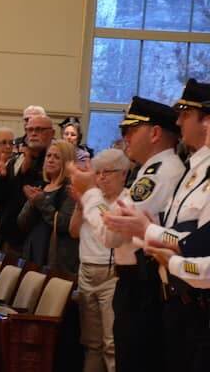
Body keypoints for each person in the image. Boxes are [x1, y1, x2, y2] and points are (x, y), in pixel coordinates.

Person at [100, 79, 210, 372]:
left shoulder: (165, 171)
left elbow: (110, 233)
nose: (179, 119)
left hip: (168, 291)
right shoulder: (184, 170)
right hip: (169, 291)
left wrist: (150, 234)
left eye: (186, 113)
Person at [72, 96, 184, 372]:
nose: (126, 137)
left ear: (155, 133)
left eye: (132, 130)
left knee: (131, 357)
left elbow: (112, 234)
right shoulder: (151, 170)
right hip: (137, 280)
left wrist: (91, 194)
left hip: (143, 283)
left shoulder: (159, 173)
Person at [69, 149, 130, 372]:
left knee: (111, 342)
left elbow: (110, 228)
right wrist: (80, 204)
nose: (102, 177)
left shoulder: (127, 199)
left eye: (108, 172)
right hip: (86, 269)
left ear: (123, 174)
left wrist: (90, 199)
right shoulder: (91, 199)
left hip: (111, 272)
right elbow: (73, 232)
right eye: (99, 172)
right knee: (90, 342)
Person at [0, 114, 55, 254]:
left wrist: (29, 166)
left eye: (39, 129)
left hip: (35, 241)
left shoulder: (53, 161)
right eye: (30, 129)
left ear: (51, 133)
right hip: (7, 237)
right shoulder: (16, 160)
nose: (33, 133)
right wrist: (0, 177)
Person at [18, 139, 79, 274]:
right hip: (33, 251)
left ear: (67, 162)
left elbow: (64, 224)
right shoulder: (42, 186)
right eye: (48, 156)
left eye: (57, 157)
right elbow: (22, 223)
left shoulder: (70, 190)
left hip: (55, 258)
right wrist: (32, 203)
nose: (50, 160)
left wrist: (40, 201)